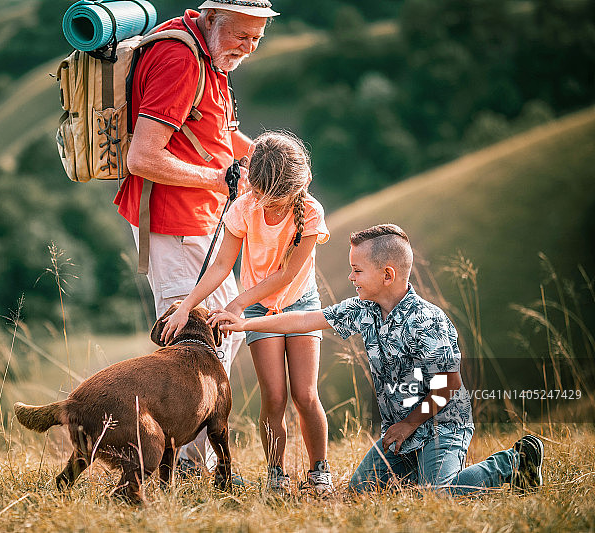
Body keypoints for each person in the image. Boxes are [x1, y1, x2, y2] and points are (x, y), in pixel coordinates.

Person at [209, 224, 545, 495]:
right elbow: (303, 320)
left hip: (441, 426)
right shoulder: (362, 310)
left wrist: (408, 424)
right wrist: (244, 323)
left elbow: (448, 386)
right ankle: (421, 473)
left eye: (357, 271)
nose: (351, 278)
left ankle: (515, 462)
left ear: (387, 275)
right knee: (359, 491)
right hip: (400, 432)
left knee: (438, 495)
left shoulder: (428, 321)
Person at [116, 0, 279, 476]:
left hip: (200, 222)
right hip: (176, 226)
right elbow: (142, 157)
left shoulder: (210, 55)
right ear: (210, 18)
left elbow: (219, 134)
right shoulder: (181, 61)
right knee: (192, 346)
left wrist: (271, 158)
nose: (247, 49)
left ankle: (190, 459)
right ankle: (183, 462)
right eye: (240, 37)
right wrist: (218, 180)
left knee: (219, 334)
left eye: (256, 40)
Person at [161, 130, 334, 495]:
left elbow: (287, 273)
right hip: (258, 306)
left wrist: (237, 304)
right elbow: (222, 264)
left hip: (300, 303)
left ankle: (320, 472)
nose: (267, 207)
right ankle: (276, 474)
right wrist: (187, 307)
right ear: (253, 186)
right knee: (274, 396)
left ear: (297, 190)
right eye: (263, 198)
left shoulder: (312, 213)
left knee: (305, 394)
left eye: (277, 202)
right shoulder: (244, 206)